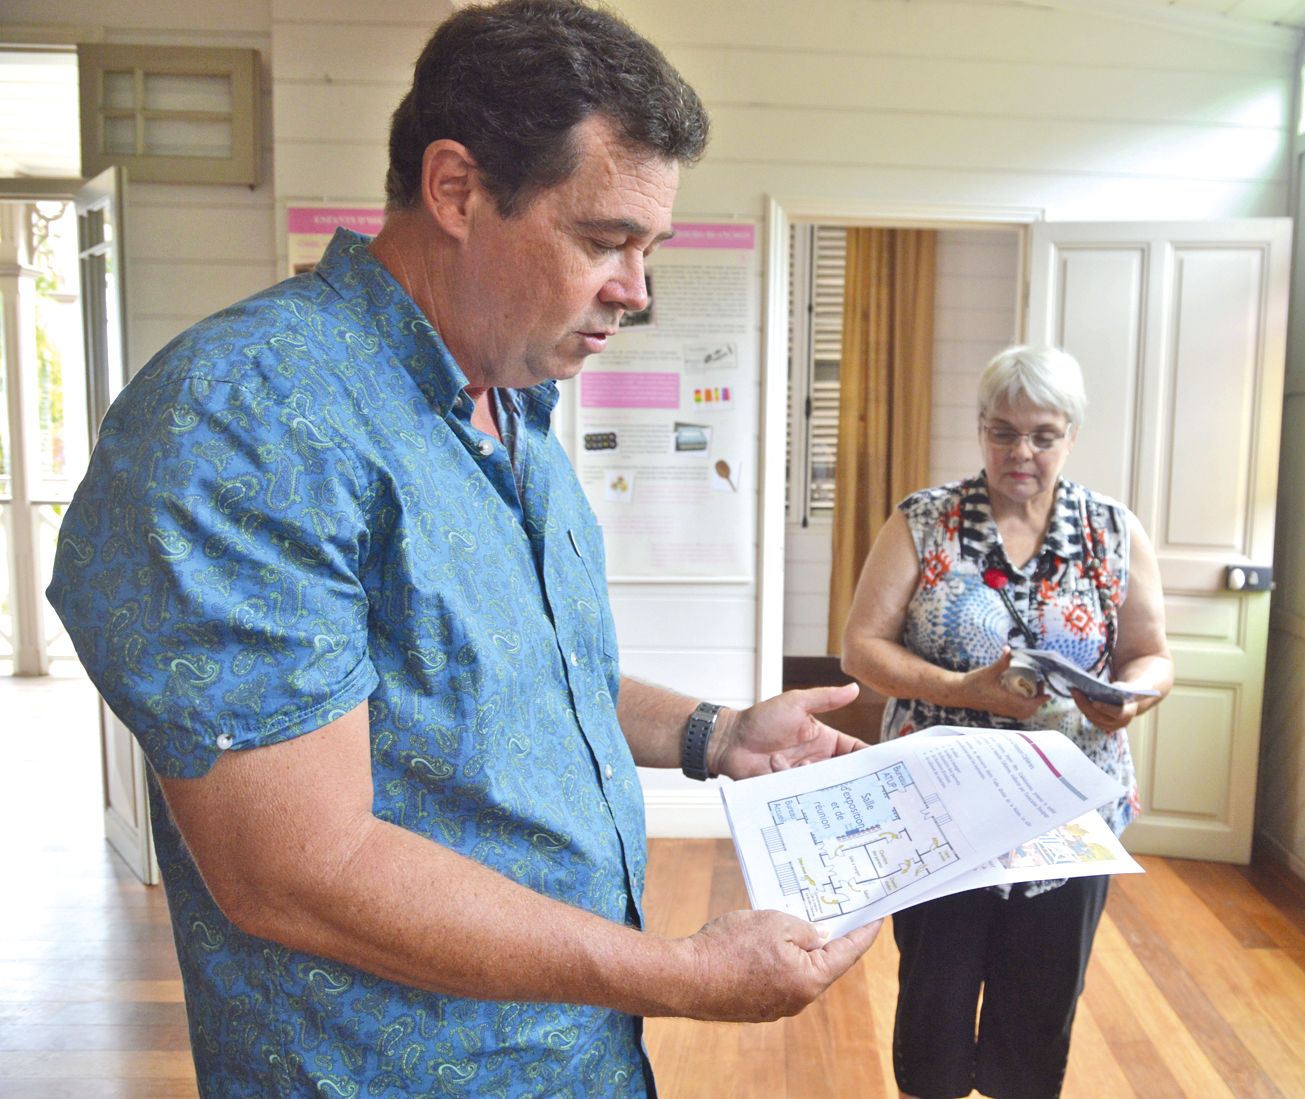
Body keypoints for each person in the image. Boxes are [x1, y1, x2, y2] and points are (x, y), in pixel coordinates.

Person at [46, 2, 879, 1095]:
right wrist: (673, 971)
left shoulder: (511, 400)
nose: (636, 291)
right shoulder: (244, 416)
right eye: (602, 239)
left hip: (571, 1049)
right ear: (455, 190)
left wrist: (717, 734)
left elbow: (513, 676)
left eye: (648, 246)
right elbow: (297, 870)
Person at [841, 344, 1174, 1099]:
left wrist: (1129, 696)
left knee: (1039, 1012)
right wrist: (967, 688)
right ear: (981, 429)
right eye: (1002, 431)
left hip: (1069, 817)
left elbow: (1153, 655)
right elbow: (861, 649)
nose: (1020, 451)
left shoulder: (1113, 531)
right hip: (940, 814)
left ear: (1071, 436)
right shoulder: (925, 520)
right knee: (935, 1004)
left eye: (1042, 434)